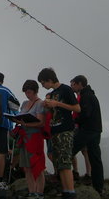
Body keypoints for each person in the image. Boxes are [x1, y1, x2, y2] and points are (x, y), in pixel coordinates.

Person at [38, 68, 80, 199]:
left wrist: (57, 103)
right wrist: (49, 106)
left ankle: (71, 192)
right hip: (54, 130)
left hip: (65, 130)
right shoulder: (53, 93)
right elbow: (53, 113)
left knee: (65, 162)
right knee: (59, 163)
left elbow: (77, 108)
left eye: (43, 83)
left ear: (50, 80)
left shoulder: (66, 89)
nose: (43, 86)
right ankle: (66, 191)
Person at [70, 75, 104, 195]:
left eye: (73, 84)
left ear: (79, 84)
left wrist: (74, 121)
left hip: (87, 130)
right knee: (95, 158)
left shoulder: (86, 96)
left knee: (68, 151)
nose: (72, 87)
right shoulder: (91, 95)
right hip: (96, 130)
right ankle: (98, 187)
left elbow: (85, 114)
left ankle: (65, 182)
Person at [13, 80, 46, 199]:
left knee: (37, 165)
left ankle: (40, 193)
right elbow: (20, 117)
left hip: (34, 137)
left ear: (35, 91)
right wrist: (17, 121)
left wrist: (26, 124)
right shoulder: (24, 103)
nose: (27, 94)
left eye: (29, 92)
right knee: (26, 167)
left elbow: (41, 123)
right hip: (24, 137)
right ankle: (32, 192)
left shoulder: (40, 103)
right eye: (26, 92)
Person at [0, 72, 18, 190]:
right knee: (2, 153)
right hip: (2, 124)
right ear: (2, 80)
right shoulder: (6, 91)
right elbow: (15, 106)